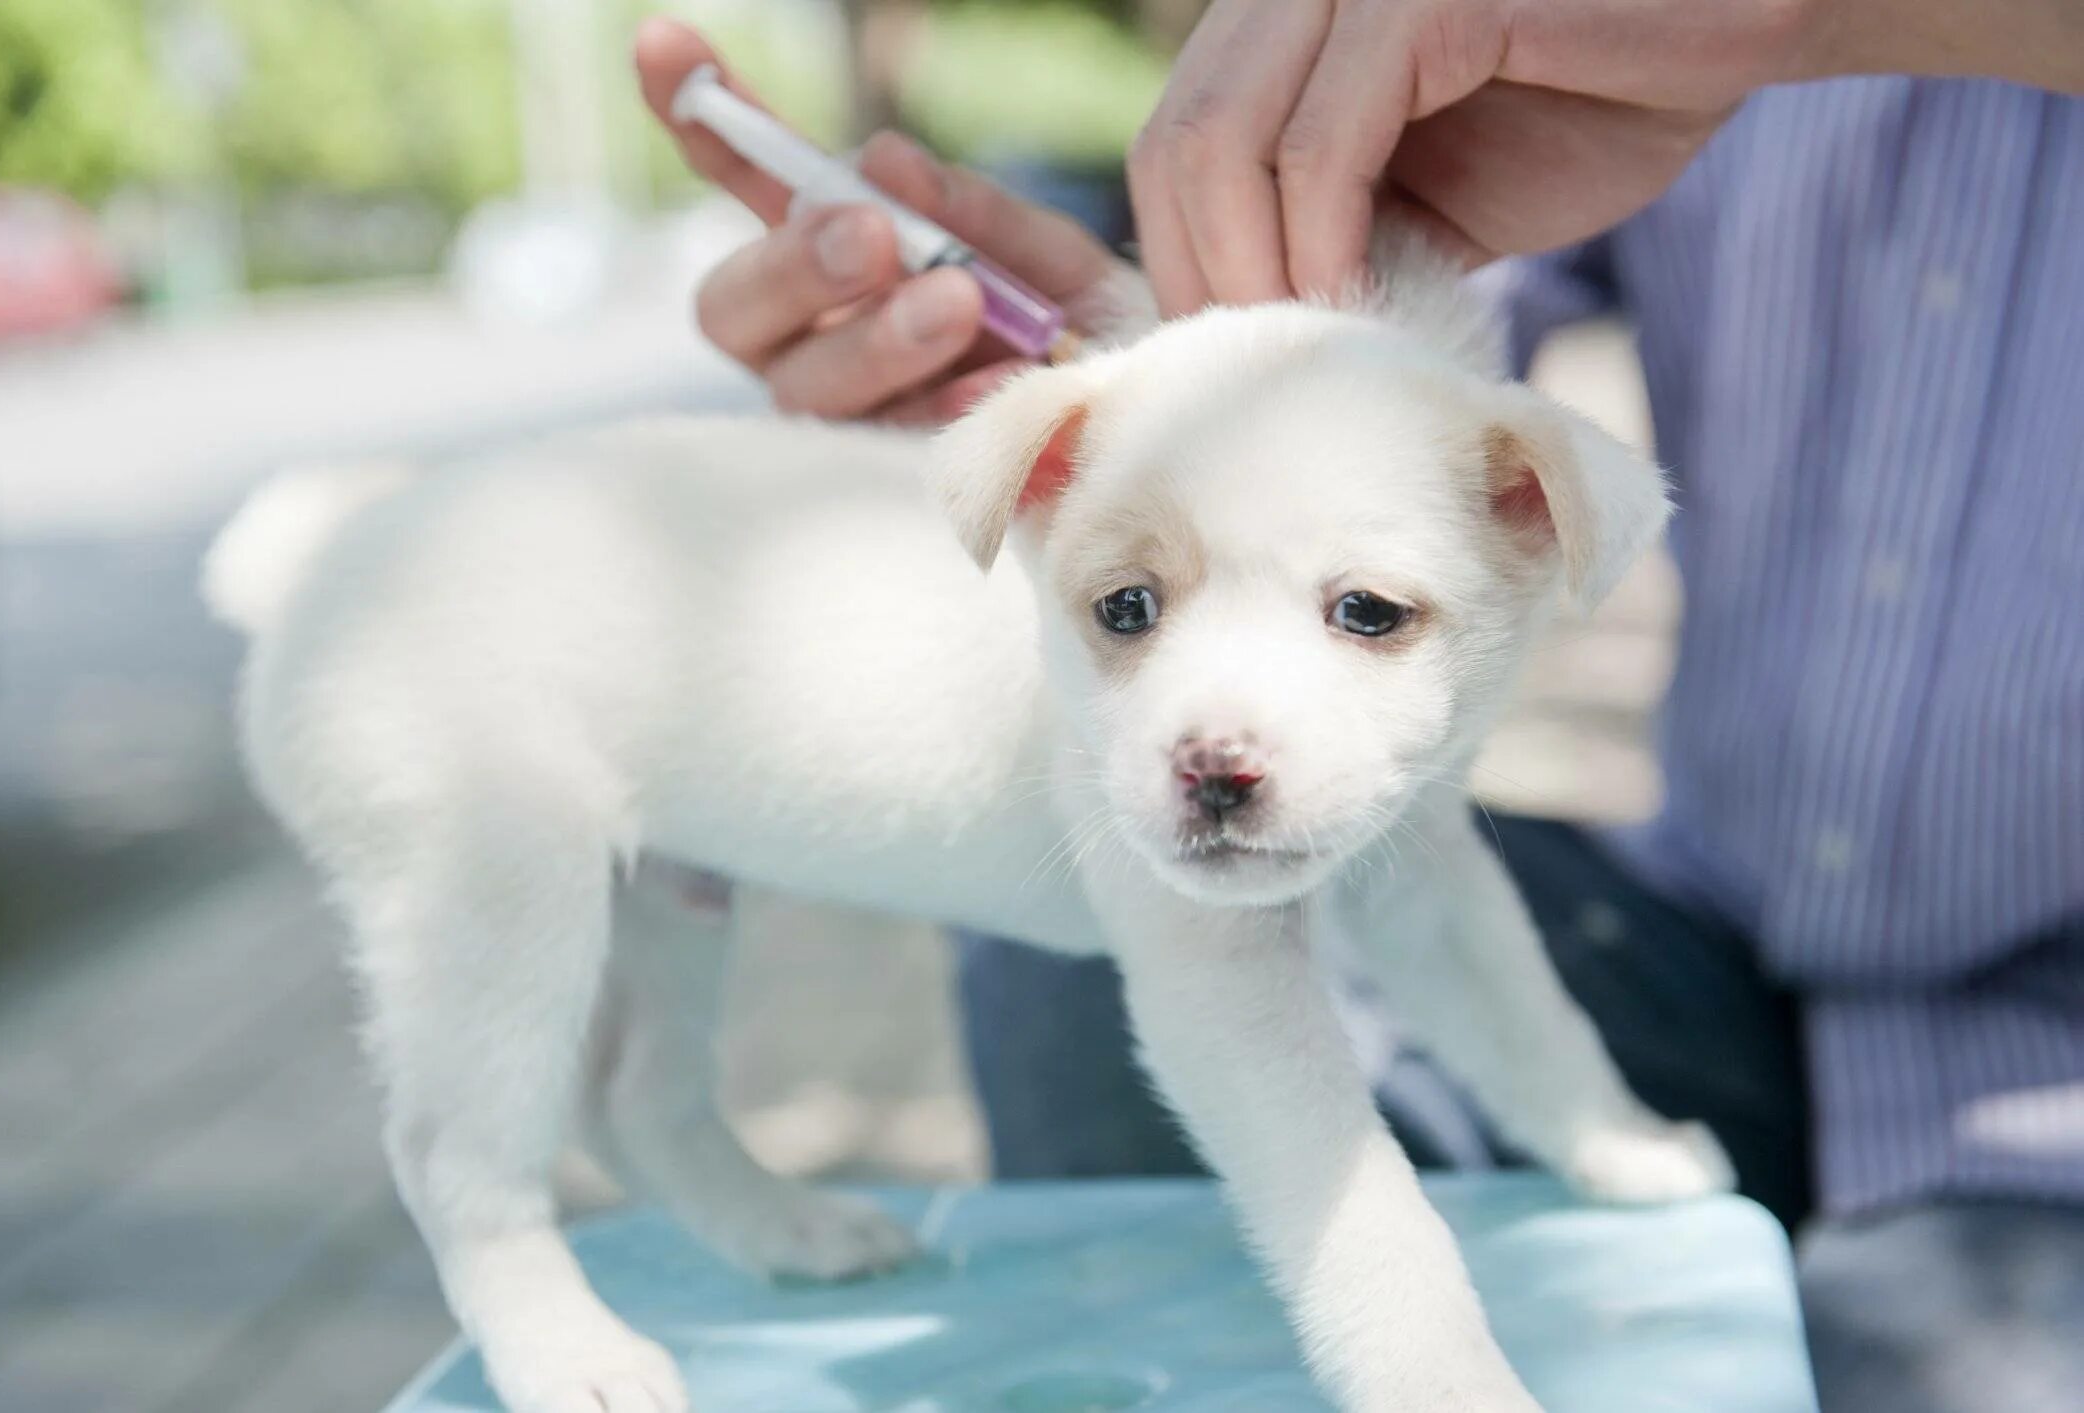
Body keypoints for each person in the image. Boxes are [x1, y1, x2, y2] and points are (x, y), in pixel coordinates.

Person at [635, 6, 2084, 1408]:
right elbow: (1396, 371)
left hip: (2045, 1057)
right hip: (1703, 921)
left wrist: (1832, 16)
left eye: (1369, 619)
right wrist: (1162, 372)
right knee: (1100, 840)